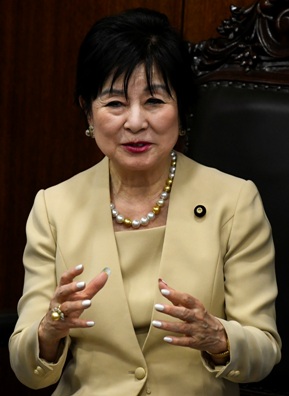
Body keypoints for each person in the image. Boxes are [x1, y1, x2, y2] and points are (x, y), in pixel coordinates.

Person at [9, 7, 281, 396]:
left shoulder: (234, 201)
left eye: (154, 100)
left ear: (182, 110)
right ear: (88, 110)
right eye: (115, 103)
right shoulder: (54, 206)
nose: (135, 122)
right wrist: (48, 329)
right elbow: (26, 369)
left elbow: (264, 353)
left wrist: (217, 337)